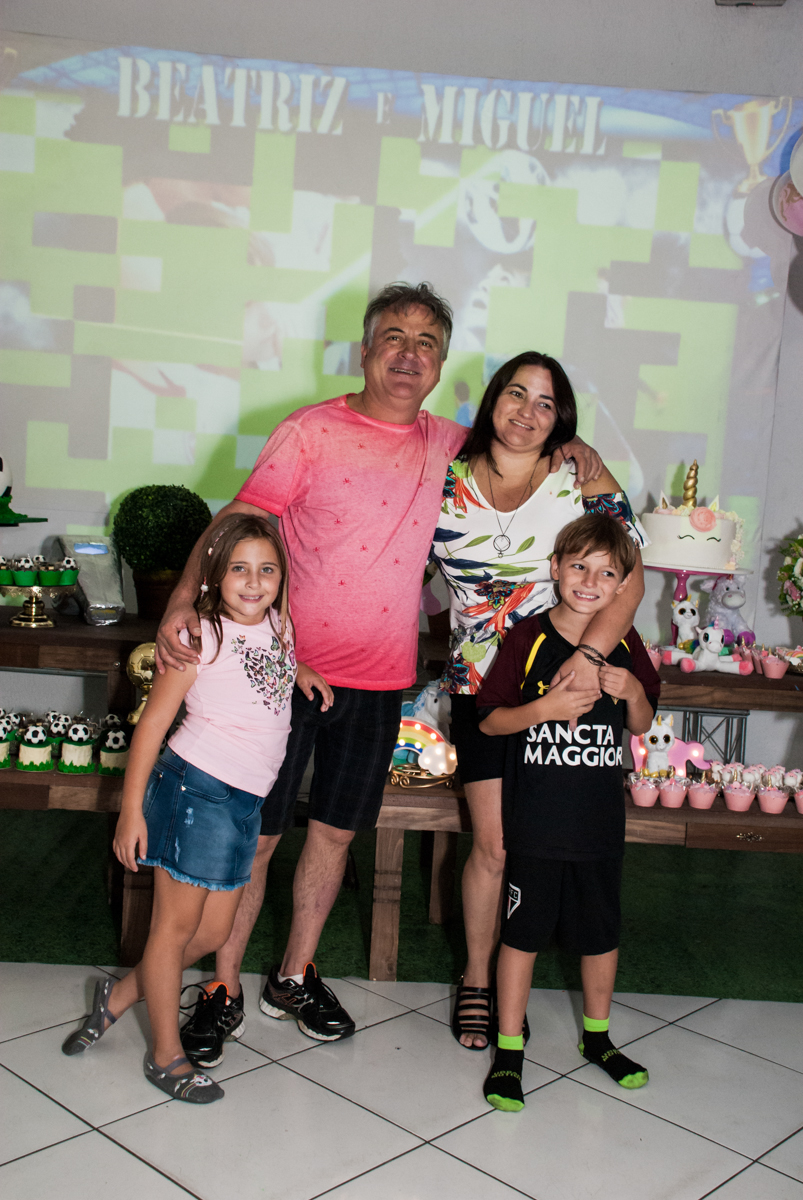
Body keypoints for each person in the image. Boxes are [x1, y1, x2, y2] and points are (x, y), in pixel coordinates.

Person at [154, 283, 601, 1056]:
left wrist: (576, 449)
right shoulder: (309, 431)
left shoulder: (452, 445)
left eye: (426, 343)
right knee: (256, 841)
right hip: (283, 673)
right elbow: (238, 521)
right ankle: (223, 984)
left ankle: (293, 974)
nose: (408, 354)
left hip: (378, 679)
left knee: (334, 837)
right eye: (393, 336)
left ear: (439, 366)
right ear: (365, 350)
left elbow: (522, 443)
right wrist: (179, 603)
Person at [61, 515, 331, 1102]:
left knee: (213, 932)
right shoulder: (198, 637)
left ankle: (119, 996)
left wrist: (300, 670)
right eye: (239, 569)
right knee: (173, 930)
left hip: (245, 802)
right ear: (212, 577)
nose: (254, 582)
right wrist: (130, 813)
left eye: (267, 570)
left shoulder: (280, 625)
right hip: (195, 792)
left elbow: (262, 670)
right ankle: (166, 1056)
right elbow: (151, 727)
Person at [429, 351, 647, 1050]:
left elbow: (631, 577)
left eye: (546, 402)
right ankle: (477, 980)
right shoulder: (442, 481)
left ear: (561, 418)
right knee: (493, 847)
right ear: (493, 400)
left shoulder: (580, 477)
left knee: (551, 846)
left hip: (566, 687)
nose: (527, 410)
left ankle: (530, 985)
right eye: (516, 393)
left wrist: (588, 661)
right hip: (479, 692)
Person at [475, 514, 660, 1111]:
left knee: (600, 936)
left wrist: (633, 692)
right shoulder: (527, 638)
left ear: (623, 584)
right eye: (578, 566)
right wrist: (546, 709)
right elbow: (490, 721)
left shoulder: (627, 642)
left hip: (599, 825)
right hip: (535, 824)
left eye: (607, 574)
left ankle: (598, 1039)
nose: (589, 581)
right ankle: (509, 1049)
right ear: (555, 568)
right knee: (522, 936)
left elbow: (642, 723)